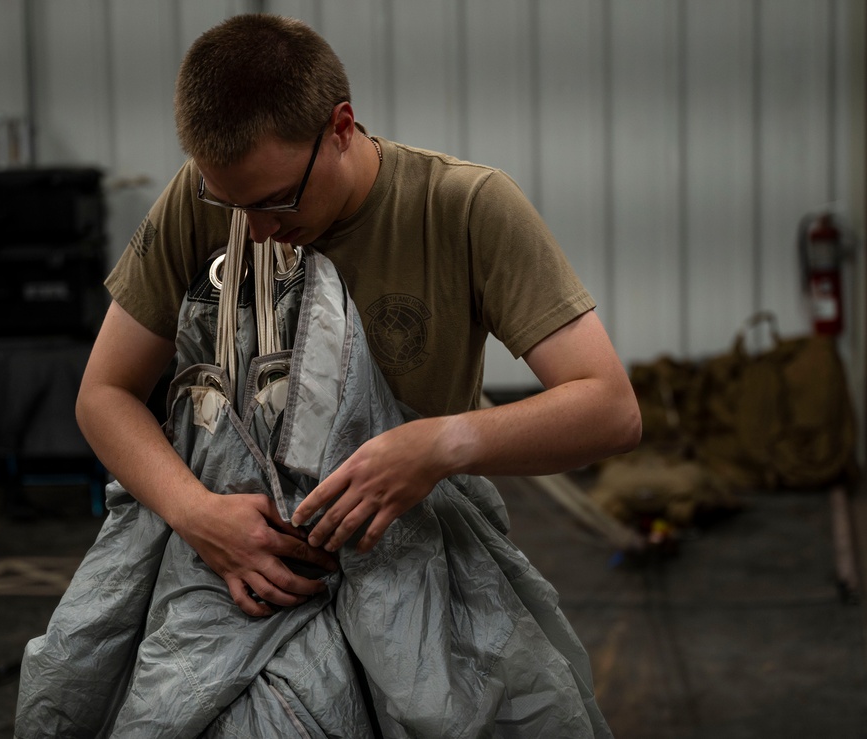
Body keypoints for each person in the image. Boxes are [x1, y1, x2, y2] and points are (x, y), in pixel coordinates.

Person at [77, 13, 640, 621]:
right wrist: (195, 512)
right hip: (229, 565)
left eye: (277, 200)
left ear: (341, 127)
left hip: (407, 571)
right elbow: (104, 393)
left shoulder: (462, 208)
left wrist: (439, 444)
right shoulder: (200, 199)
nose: (259, 231)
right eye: (232, 204)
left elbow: (609, 409)